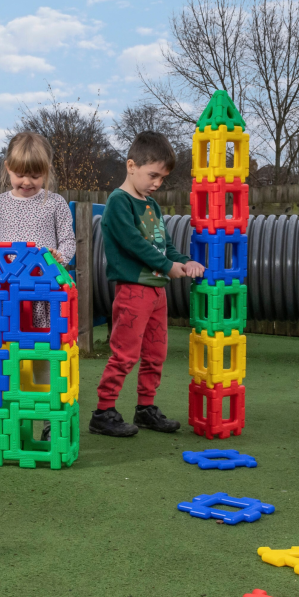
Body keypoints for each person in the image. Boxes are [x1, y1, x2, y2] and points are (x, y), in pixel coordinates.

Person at [90, 131, 204, 438]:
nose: (157, 183)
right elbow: (133, 243)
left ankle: (145, 409)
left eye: (162, 178)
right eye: (153, 175)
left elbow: (166, 246)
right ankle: (103, 412)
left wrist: (185, 262)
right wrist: (167, 266)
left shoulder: (152, 205)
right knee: (125, 354)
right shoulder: (118, 202)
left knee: (156, 354)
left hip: (156, 293)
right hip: (133, 291)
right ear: (131, 166)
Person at [0, 131, 76, 440]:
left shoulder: (55, 203)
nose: (27, 181)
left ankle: (47, 422)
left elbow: (68, 242)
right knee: (2, 356)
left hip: (41, 296)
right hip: (5, 298)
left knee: (42, 357)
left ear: (46, 171)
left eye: (35, 175)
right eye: (20, 174)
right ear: (8, 168)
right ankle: (4, 418)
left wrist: (60, 257)